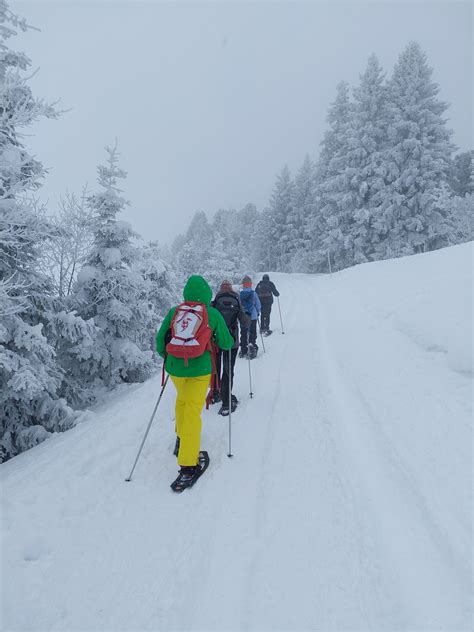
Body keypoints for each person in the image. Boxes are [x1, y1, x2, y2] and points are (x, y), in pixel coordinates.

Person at [156, 275, 233, 491]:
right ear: (207, 294)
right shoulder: (212, 313)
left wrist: (169, 358)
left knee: (182, 401)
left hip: (175, 368)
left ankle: (181, 441)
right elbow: (226, 342)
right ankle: (188, 466)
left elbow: (160, 339)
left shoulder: (175, 312)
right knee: (192, 411)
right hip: (200, 370)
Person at [212, 280, 249, 416]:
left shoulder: (215, 300)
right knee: (228, 370)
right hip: (231, 341)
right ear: (231, 288)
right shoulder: (236, 299)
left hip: (216, 341)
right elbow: (244, 320)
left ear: (221, 288)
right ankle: (226, 402)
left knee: (216, 367)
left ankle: (215, 393)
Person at [239, 275, 261, 360]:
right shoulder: (253, 293)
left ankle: (243, 349)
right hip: (253, 316)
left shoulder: (240, 294)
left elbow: (239, 305)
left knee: (243, 332)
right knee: (252, 332)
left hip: (243, 317)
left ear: (243, 284)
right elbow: (258, 305)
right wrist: (258, 312)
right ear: (250, 284)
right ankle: (252, 347)